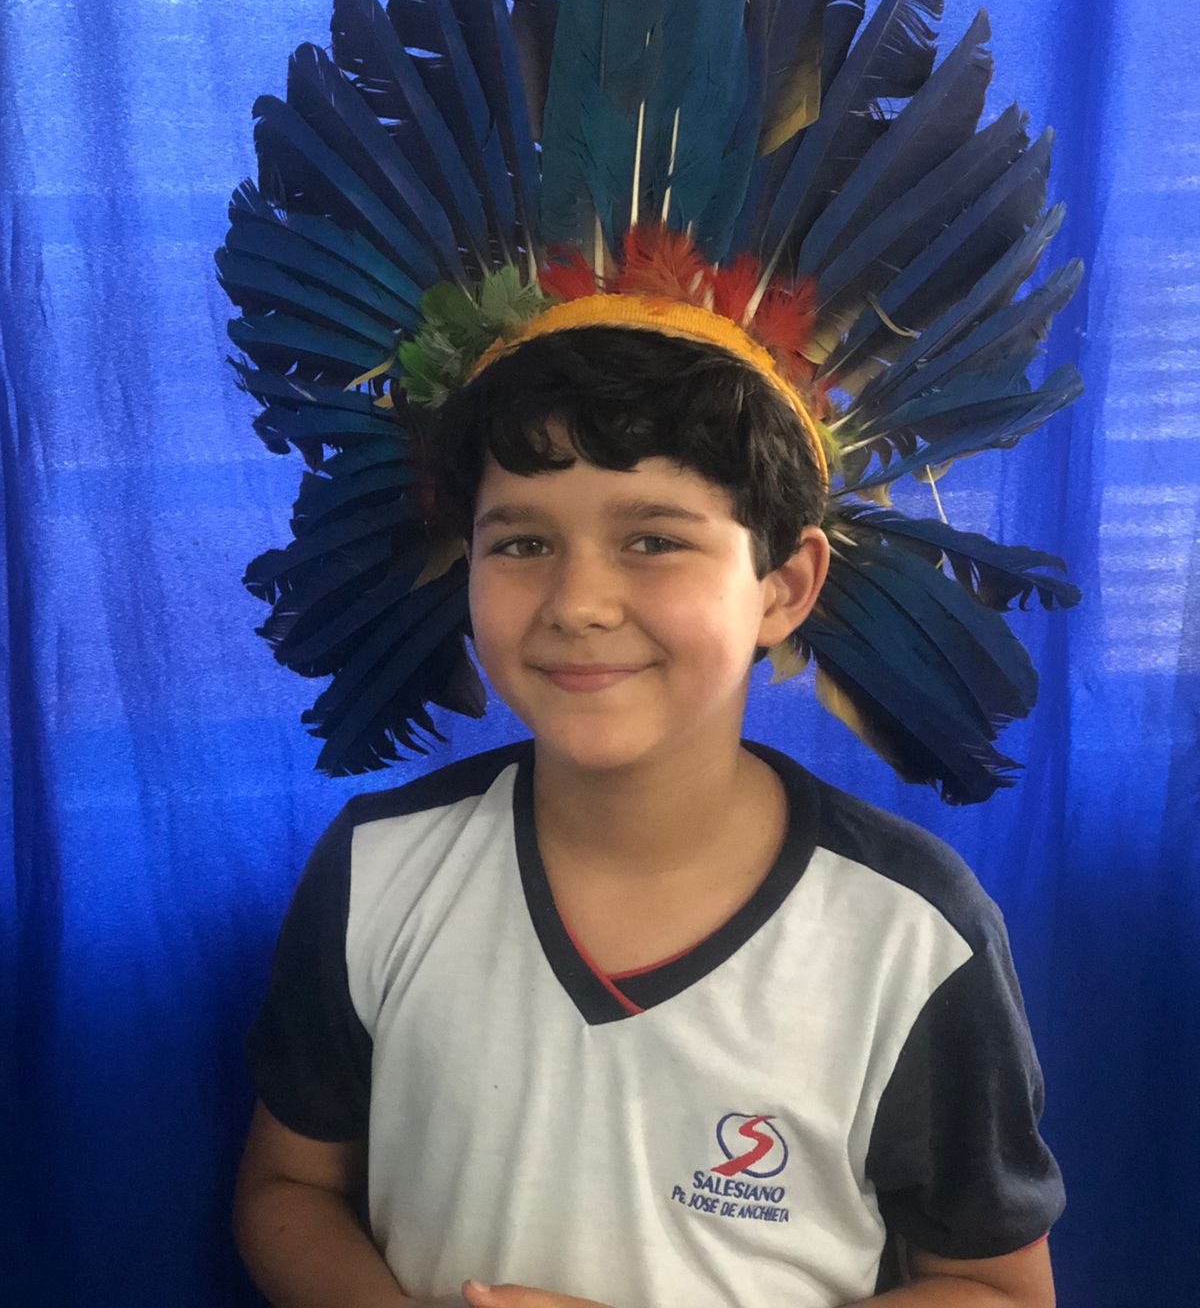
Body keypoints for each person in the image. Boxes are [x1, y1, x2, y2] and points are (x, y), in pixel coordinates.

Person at [231, 321, 1064, 1308]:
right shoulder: (378, 868)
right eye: (523, 543)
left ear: (784, 587)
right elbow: (289, 1187)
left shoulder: (913, 933)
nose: (578, 602)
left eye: (655, 541)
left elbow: (998, 1290)